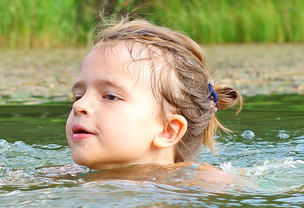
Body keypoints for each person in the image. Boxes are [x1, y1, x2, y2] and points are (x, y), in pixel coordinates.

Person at [66, 15, 242, 178]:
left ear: (167, 130)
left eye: (110, 97)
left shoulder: (202, 180)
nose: (79, 106)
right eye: (78, 95)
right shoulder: (62, 175)